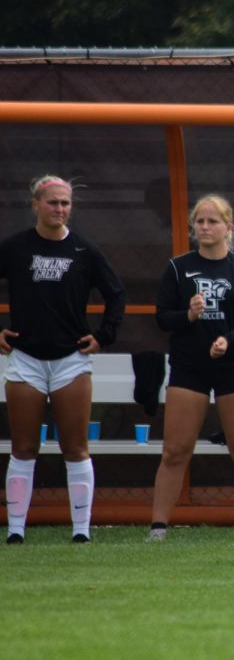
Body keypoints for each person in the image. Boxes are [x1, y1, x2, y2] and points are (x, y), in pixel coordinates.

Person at [2, 175, 126, 544]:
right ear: (35, 204)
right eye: (52, 202)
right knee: (24, 448)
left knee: (75, 447)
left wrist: (103, 336)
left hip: (71, 361)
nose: (59, 209)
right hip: (25, 359)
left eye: (66, 203)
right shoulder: (15, 248)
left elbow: (116, 295)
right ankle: (15, 530)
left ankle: (81, 530)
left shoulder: (85, 251)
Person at [148, 195, 234, 542]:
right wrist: (188, 316)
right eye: (199, 222)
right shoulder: (177, 268)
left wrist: (229, 340)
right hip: (189, 367)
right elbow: (162, 317)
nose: (204, 227)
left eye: (212, 221)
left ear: (228, 227)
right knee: (175, 449)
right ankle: (158, 528)